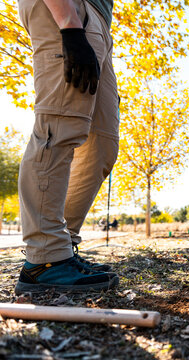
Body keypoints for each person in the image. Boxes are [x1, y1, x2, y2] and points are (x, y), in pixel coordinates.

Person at [15, 0, 120, 294]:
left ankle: (63, 247)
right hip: (69, 11)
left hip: (97, 21)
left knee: (103, 142)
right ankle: (45, 260)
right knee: (59, 125)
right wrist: (70, 25)